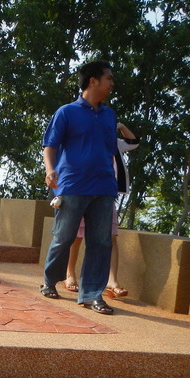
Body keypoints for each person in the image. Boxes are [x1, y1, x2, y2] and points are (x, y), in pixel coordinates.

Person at [40, 60, 119, 315]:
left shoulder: (109, 115)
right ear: (93, 81)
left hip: (104, 186)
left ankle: (92, 295)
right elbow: (50, 145)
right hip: (72, 184)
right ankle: (50, 280)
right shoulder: (66, 112)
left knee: (101, 242)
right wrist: (50, 170)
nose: (112, 83)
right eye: (108, 78)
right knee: (64, 237)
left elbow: (110, 150)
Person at [65, 122, 139, 297]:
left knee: (111, 237)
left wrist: (120, 126)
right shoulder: (84, 141)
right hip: (83, 192)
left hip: (106, 194)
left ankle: (112, 281)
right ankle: (70, 275)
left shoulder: (115, 144)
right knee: (77, 236)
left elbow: (133, 142)